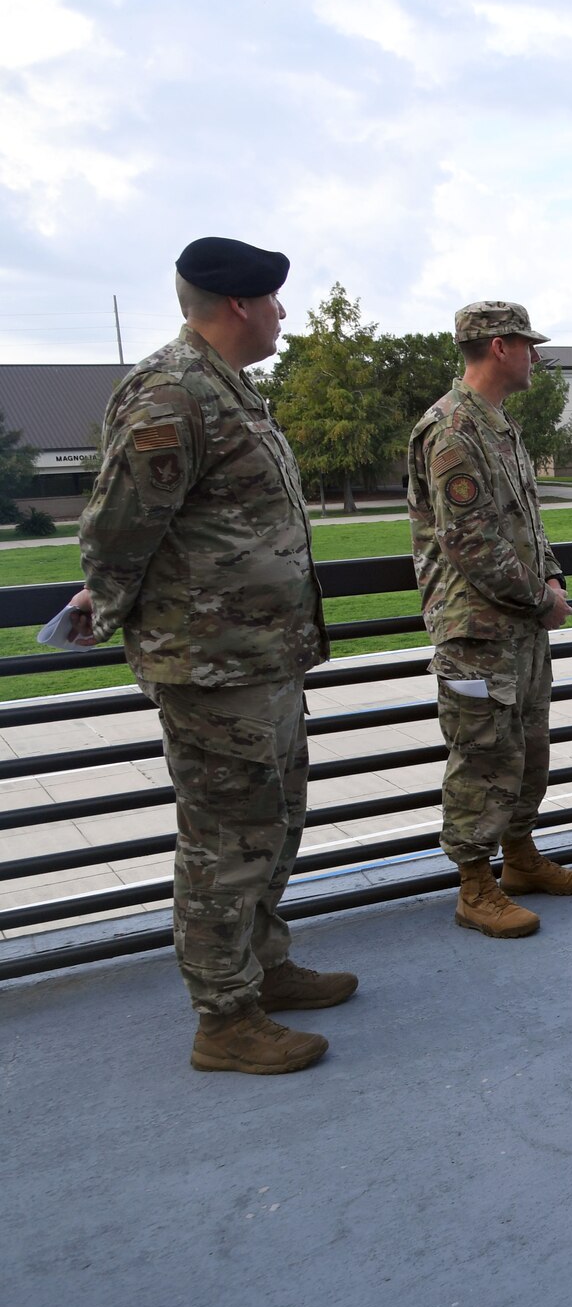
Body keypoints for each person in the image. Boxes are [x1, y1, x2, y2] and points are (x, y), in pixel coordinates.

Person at [70, 236, 352, 1075]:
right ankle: (223, 1017)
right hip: (209, 667)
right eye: (273, 302)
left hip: (260, 658)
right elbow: (116, 527)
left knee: (275, 823)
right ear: (239, 306)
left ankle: (264, 967)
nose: (282, 315)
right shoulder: (171, 393)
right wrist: (111, 604)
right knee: (224, 839)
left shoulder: (229, 389)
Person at [408, 301, 572, 941]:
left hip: (519, 626)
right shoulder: (453, 430)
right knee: (483, 756)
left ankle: (519, 860)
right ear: (497, 348)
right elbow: (471, 543)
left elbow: (526, 525)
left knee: (529, 749)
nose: (534, 356)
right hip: (476, 632)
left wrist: (552, 578)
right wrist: (543, 600)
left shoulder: (497, 424)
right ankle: (474, 886)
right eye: (526, 344)